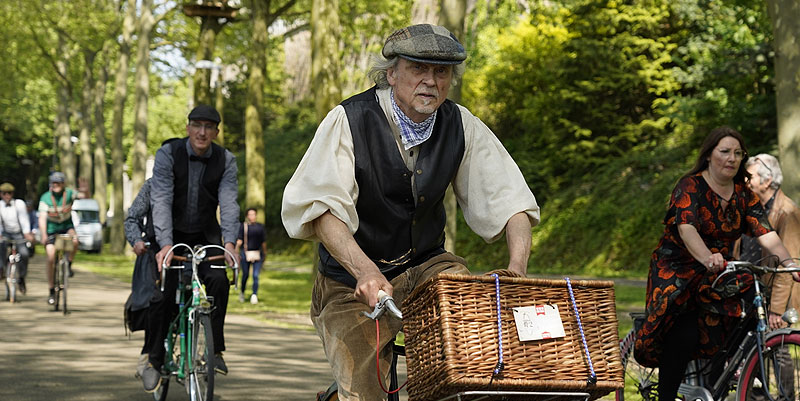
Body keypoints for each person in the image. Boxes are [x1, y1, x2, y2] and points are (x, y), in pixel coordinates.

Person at [281, 24, 539, 401]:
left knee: (472, 355)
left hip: (426, 264)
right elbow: (322, 210)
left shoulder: (461, 123)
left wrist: (517, 271)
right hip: (349, 279)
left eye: (441, 72)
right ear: (391, 73)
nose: (431, 81)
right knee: (365, 390)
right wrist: (365, 271)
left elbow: (510, 200)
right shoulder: (349, 120)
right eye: (418, 68)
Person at [634, 127, 800, 401]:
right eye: (724, 152)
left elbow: (767, 233)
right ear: (709, 155)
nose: (731, 158)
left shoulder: (744, 195)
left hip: (719, 268)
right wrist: (706, 256)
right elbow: (687, 229)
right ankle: (666, 396)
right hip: (677, 268)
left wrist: (790, 265)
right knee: (684, 334)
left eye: (737, 153)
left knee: (751, 297)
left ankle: (725, 376)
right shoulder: (690, 187)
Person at [145, 104, 240, 393]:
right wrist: (164, 244)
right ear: (187, 128)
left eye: (209, 127)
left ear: (216, 132)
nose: (202, 132)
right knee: (162, 295)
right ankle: (154, 360)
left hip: (205, 232)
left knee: (219, 281)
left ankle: (215, 350)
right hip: (169, 233)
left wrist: (229, 243)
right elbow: (160, 199)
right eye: (196, 125)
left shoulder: (225, 160)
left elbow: (230, 203)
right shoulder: (168, 155)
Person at [736, 153, 800, 329]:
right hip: (748, 291)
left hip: (771, 298)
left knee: (776, 349)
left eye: (751, 177)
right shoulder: (752, 208)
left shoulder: (787, 213)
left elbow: (789, 262)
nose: (746, 181)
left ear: (767, 181)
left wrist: (777, 309)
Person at [122, 178, 160, 388]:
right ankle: (148, 351)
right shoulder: (151, 186)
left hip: (185, 250)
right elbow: (132, 218)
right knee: (150, 300)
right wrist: (136, 240)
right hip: (153, 249)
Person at [38, 172, 78, 306]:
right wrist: (43, 234)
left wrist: (86, 191)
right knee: (50, 256)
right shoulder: (45, 198)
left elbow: (83, 196)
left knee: (75, 240)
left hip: (67, 227)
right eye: (53, 183)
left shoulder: (69, 194)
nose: (55, 185)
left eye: (58, 183)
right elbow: (42, 218)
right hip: (51, 230)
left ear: (63, 184)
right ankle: (51, 290)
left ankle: (69, 265)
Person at [0, 182, 34, 295]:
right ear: (1, 194)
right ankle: (2, 270)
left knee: (24, 254)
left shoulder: (19, 204)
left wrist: (27, 234)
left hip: (18, 233)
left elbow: (24, 219)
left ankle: (21, 278)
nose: (7, 196)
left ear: (12, 194)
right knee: (1, 248)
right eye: (4, 193)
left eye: (9, 193)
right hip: (5, 233)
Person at [235, 207, 266, 304]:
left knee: (256, 275)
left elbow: (263, 242)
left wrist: (265, 253)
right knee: (245, 275)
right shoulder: (243, 227)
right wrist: (235, 252)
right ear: (247, 216)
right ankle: (242, 292)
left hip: (257, 254)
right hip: (245, 254)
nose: (252, 216)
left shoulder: (260, 227)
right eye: (250, 214)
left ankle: (254, 294)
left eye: (253, 214)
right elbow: (239, 240)